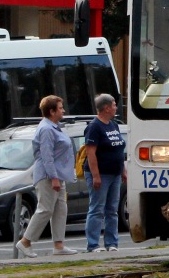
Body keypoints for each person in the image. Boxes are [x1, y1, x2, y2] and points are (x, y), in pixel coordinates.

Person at [15, 95, 78, 258]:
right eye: (60, 107)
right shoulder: (47, 129)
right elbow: (46, 155)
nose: (63, 110)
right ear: (52, 111)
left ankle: (59, 245)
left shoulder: (55, 126)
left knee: (60, 209)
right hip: (48, 176)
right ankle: (25, 242)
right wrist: (54, 178)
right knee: (45, 209)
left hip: (58, 175)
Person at [83, 93, 127, 252]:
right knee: (96, 209)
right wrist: (95, 175)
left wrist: (123, 170)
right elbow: (91, 153)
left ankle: (112, 243)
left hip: (115, 173)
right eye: (114, 105)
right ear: (106, 107)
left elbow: (119, 148)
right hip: (100, 174)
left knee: (112, 210)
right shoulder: (94, 127)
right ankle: (93, 244)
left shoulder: (113, 125)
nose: (116, 107)